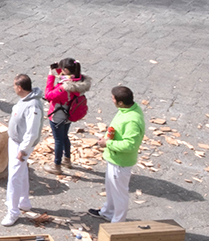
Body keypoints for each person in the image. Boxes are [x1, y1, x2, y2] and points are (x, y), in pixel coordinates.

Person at [89, 86, 145, 223]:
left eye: (113, 98)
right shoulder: (126, 109)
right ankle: (108, 212)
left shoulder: (132, 120)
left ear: (120, 102)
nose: (111, 99)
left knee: (119, 193)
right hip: (113, 157)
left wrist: (107, 144)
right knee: (111, 188)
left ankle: (118, 222)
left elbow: (130, 145)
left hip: (120, 162)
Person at [2, 74, 44, 227]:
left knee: (13, 176)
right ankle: (24, 201)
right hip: (16, 141)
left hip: (21, 145)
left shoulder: (32, 106)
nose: (13, 88)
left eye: (14, 85)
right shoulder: (27, 100)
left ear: (19, 87)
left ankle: (12, 212)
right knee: (21, 171)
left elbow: (32, 132)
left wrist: (23, 150)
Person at [43, 58, 91, 175]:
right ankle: (67, 160)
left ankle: (57, 166)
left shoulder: (64, 88)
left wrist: (51, 76)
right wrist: (58, 69)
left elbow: (48, 95)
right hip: (69, 114)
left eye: (62, 69)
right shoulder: (79, 81)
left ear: (66, 70)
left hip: (58, 116)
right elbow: (65, 77)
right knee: (64, 137)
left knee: (58, 140)